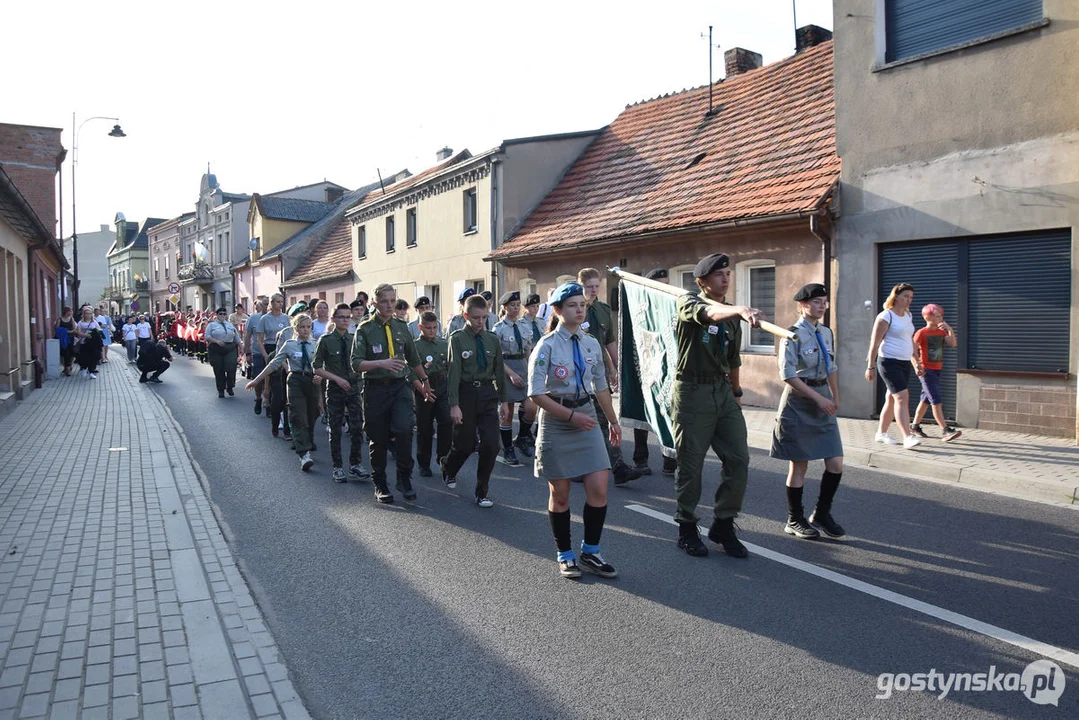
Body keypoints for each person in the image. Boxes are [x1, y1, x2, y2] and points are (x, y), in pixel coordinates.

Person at [672, 253, 764, 558]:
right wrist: (737, 309)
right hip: (692, 391)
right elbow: (707, 315)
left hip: (722, 392)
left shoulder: (732, 317)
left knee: (738, 458)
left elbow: (733, 358)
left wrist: (736, 392)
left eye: (728, 273)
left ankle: (723, 523)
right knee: (691, 464)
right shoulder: (688, 302)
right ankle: (687, 527)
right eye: (719, 274)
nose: (725, 279)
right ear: (702, 281)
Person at [528, 282, 621, 579]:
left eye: (582, 305)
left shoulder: (591, 342)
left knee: (599, 488)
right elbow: (536, 394)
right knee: (562, 494)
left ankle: (591, 552)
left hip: (587, 416)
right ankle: (565, 554)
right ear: (557, 310)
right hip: (557, 420)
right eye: (572, 305)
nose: (580, 309)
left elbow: (601, 385)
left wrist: (614, 421)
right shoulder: (547, 346)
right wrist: (569, 416)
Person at [769, 284, 846, 540]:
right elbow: (787, 375)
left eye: (824, 301)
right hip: (800, 402)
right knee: (799, 466)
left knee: (835, 463)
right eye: (816, 302)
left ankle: (822, 514)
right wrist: (817, 398)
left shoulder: (826, 332)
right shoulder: (791, 334)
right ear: (802, 305)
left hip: (823, 399)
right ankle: (794, 519)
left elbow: (831, 367)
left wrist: (835, 396)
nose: (822, 306)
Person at [350, 283, 431, 504]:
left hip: (399, 387)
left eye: (392, 301)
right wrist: (381, 363)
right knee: (378, 438)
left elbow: (413, 359)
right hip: (375, 389)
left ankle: (404, 478)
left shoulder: (401, 326)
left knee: (405, 429)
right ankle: (380, 483)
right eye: (384, 301)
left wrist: (424, 381)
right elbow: (355, 364)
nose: (389, 305)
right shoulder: (365, 329)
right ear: (374, 303)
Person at [578, 267, 642, 486]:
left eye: (597, 286)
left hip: (600, 371)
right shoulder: (576, 309)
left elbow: (609, 342)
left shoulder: (604, 310)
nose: (594, 290)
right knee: (592, 419)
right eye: (589, 287)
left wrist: (616, 367)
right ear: (581, 286)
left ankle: (615, 466)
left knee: (601, 418)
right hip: (579, 373)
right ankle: (612, 466)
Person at [442, 294, 506, 507]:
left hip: (487, 394)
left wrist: (504, 401)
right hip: (466, 394)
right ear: (466, 315)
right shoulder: (458, 339)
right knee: (465, 444)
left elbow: (498, 371)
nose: (481, 322)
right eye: (476, 318)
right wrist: (454, 404)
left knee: (491, 445)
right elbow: (453, 373)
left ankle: (482, 491)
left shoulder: (492, 339)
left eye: (484, 317)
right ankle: (449, 467)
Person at [247, 313, 321, 472]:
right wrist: (257, 380)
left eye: (308, 327)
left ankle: (307, 441)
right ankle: (304, 453)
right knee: (298, 415)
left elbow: (323, 365)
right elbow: (274, 364)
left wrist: (320, 376)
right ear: (296, 328)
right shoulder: (289, 344)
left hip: (312, 382)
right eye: (302, 327)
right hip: (295, 380)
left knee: (312, 415)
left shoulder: (316, 345)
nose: (305, 330)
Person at [313, 303, 370, 482]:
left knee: (356, 427)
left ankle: (355, 464)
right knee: (336, 428)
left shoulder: (355, 339)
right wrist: (336, 379)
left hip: (354, 387)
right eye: (341, 317)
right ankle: (337, 467)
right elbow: (316, 368)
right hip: (336, 388)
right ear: (334, 319)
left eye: (348, 317)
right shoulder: (326, 340)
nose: (345, 320)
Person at [866, 283, 922, 449]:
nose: (908, 300)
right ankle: (907, 436)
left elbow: (910, 340)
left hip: (904, 362)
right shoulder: (885, 316)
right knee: (902, 397)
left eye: (911, 297)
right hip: (888, 362)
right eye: (905, 296)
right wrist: (870, 367)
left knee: (891, 399)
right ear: (896, 296)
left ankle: (881, 434)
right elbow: (874, 343)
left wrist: (916, 361)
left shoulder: (908, 315)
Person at [493, 291, 537, 466]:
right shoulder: (498, 329)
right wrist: (511, 374)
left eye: (518, 305)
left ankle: (522, 437)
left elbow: (528, 351)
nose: (516, 308)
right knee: (507, 413)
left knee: (531, 407)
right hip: (506, 369)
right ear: (504, 307)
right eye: (512, 305)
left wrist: (531, 370)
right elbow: (496, 357)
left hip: (523, 368)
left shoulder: (524, 326)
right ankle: (508, 448)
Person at [910, 304, 962, 442]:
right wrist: (917, 366)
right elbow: (912, 351)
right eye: (938, 316)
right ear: (929, 317)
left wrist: (949, 329)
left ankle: (914, 426)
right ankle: (945, 430)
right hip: (926, 370)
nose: (941, 318)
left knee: (925, 400)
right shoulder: (921, 333)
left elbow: (953, 344)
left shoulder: (941, 332)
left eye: (941, 316)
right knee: (936, 400)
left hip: (937, 369)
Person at [411, 312, 451, 478]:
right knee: (425, 428)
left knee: (447, 423)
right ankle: (423, 463)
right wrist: (421, 388)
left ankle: (443, 458)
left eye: (435, 327)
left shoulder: (444, 344)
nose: (432, 330)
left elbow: (450, 367)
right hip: (423, 388)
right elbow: (410, 370)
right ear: (420, 327)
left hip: (442, 385)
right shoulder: (414, 346)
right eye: (428, 328)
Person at [258, 295, 292, 440]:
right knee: (276, 396)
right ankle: (274, 421)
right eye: (277, 302)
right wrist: (266, 355)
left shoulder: (286, 318)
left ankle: (287, 429)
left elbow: (291, 335)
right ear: (271, 304)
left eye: (281, 302)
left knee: (287, 396)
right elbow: (259, 340)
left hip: (285, 349)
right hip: (271, 348)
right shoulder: (264, 319)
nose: (280, 304)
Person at [206, 307, 240, 398]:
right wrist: (216, 341)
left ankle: (230, 387)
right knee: (219, 369)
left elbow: (236, 337)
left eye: (224, 314)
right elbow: (207, 336)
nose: (222, 316)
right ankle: (221, 389)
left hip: (230, 347)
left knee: (231, 367)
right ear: (217, 315)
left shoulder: (230, 325)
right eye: (220, 314)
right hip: (216, 348)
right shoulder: (212, 325)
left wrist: (241, 346)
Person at [244, 299, 267, 414]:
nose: (266, 306)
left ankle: (269, 402)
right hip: (257, 353)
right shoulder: (253, 319)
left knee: (273, 379)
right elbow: (247, 336)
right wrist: (247, 353)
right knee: (258, 378)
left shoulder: (280, 318)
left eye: (268, 304)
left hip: (273, 352)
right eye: (264, 304)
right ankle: (258, 398)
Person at [74, 306, 102, 378]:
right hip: (83, 342)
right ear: (84, 314)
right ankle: (83, 367)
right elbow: (78, 332)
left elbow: (99, 330)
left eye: (90, 313)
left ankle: (91, 372)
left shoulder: (94, 322)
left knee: (93, 357)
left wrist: (94, 334)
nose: (88, 315)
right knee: (84, 357)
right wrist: (86, 335)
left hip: (92, 343)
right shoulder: (80, 322)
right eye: (86, 313)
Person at [55, 307, 77, 376]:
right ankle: (66, 367)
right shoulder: (60, 319)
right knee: (64, 353)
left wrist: (73, 332)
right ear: (66, 312)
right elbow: (57, 329)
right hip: (63, 339)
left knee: (71, 353)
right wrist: (67, 331)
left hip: (70, 338)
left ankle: (69, 366)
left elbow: (74, 328)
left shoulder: (71, 319)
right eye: (71, 311)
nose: (71, 312)